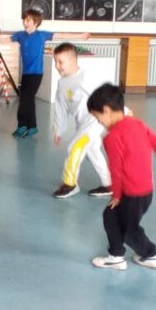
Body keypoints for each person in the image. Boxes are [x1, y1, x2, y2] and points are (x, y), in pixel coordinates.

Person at [87, 84, 156, 271]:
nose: (98, 122)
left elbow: (116, 170)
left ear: (106, 110)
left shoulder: (112, 138)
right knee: (110, 215)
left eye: (97, 117)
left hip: (131, 194)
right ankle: (116, 256)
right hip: (145, 192)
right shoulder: (137, 124)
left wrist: (116, 195)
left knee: (129, 229)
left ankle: (151, 254)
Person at [7, 9, 89, 138]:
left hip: (36, 74)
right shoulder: (20, 35)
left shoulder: (41, 35)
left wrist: (80, 35)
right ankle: (32, 127)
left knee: (25, 100)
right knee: (27, 99)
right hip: (26, 74)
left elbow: (61, 35)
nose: (25, 22)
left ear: (35, 22)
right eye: (24, 20)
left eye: (28, 20)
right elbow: (3, 40)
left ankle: (22, 126)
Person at [51, 43, 112, 199]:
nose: (57, 66)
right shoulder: (62, 83)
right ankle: (110, 184)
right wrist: (59, 130)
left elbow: (106, 96)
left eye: (60, 62)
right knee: (93, 153)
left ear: (73, 61)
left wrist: (123, 110)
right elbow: (61, 107)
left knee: (75, 147)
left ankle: (70, 184)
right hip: (82, 124)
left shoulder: (86, 77)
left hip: (95, 121)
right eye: (55, 61)